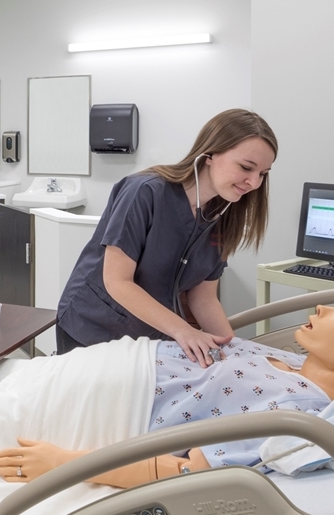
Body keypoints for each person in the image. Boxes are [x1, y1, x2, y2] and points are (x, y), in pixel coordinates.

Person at [0, 294, 334, 488]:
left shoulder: (302, 414)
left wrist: (65, 466)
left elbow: (188, 471)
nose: (323, 306)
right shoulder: (281, 361)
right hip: (102, 366)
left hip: (108, 402)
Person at [56, 108, 277, 366]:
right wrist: (185, 331)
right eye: (246, 167)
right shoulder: (144, 192)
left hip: (150, 339)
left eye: (263, 173)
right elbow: (117, 281)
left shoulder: (223, 215)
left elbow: (202, 297)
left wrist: (231, 349)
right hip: (92, 327)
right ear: (210, 154)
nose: (253, 182)